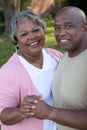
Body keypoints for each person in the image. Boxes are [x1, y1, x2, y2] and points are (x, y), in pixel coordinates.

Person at [23, 6, 87, 130]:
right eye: (57, 28)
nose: (61, 32)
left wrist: (50, 112)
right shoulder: (64, 57)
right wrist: (34, 103)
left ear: (84, 28)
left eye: (68, 26)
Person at [0, 10, 62, 130]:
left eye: (36, 30)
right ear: (16, 40)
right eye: (24, 34)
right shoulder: (8, 72)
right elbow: (3, 115)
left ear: (43, 30)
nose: (32, 36)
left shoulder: (56, 56)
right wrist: (23, 111)